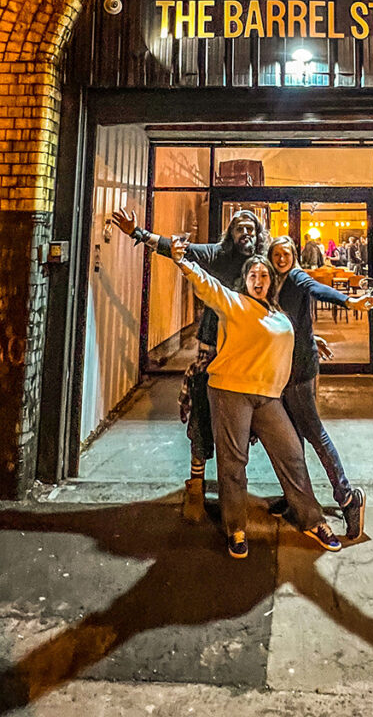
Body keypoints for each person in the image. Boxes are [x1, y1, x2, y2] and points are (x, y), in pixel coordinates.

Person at [168, 236, 342, 558]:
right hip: (230, 391)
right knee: (233, 463)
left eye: (264, 276)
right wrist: (182, 261)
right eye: (253, 276)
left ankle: (311, 518)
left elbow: (276, 341)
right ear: (245, 280)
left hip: (266, 395)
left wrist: (311, 341)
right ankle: (236, 527)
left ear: (270, 281)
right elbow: (206, 284)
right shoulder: (233, 303)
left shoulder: (277, 314)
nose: (258, 280)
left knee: (291, 453)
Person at [112, 207, 267, 520]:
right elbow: (176, 248)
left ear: (259, 233)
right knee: (201, 420)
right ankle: (195, 486)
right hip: (211, 354)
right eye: (240, 229)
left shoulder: (262, 263)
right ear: (231, 233)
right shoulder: (215, 255)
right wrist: (137, 232)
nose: (246, 234)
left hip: (247, 356)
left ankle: (233, 487)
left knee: (241, 427)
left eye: (251, 229)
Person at [267, 235, 373, 539]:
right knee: (292, 439)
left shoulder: (297, 277)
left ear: (294, 255)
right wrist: (311, 336)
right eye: (276, 254)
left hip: (299, 370)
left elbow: (317, 289)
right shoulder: (270, 283)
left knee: (314, 432)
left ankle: (347, 498)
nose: (281, 259)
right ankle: (297, 498)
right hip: (281, 368)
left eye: (286, 253)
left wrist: (349, 300)